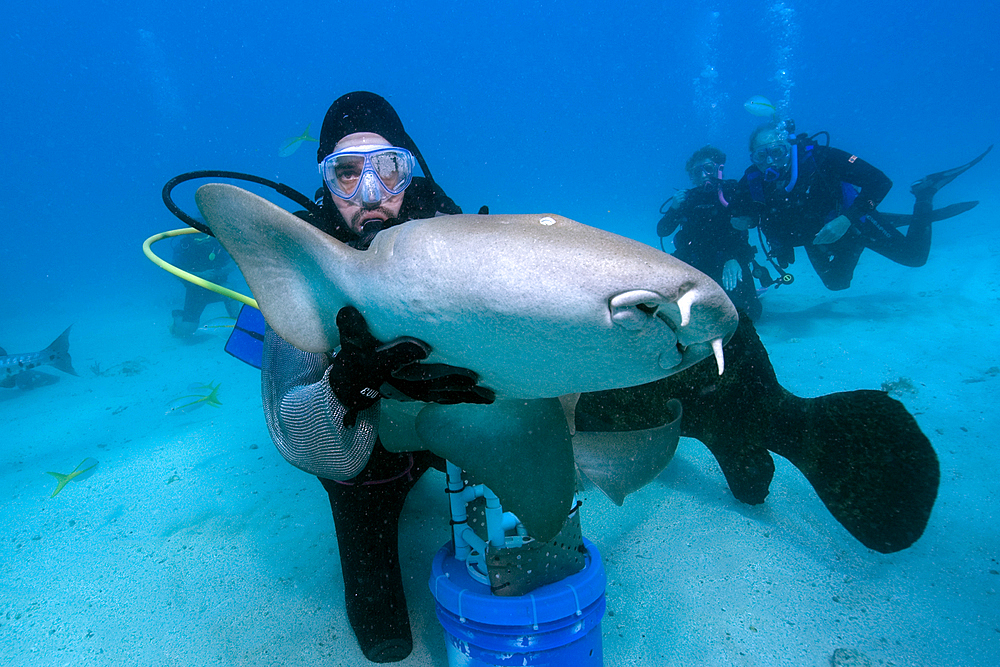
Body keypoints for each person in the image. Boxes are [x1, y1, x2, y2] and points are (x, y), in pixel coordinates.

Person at [260, 91, 493, 663]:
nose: (370, 195)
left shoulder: (449, 232)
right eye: (345, 174)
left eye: (388, 170)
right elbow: (300, 442)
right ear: (326, 184)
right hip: (362, 452)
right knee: (382, 630)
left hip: (452, 416)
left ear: (410, 171)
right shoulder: (298, 262)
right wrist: (346, 386)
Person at [729, 122, 988, 290]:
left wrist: (847, 219)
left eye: (777, 151)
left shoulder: (820, 159)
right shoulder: (752, 180)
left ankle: (925, 193)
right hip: (817, 237)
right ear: (753, 157)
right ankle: (864, 235)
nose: (770, 161)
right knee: (836, 284)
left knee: (915, 258)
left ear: (789, 148)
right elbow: (735, 214)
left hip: (853, 221)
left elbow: (880, 182)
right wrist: (742, 221)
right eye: (761, 155)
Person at [656, 145, 762, 320]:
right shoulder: (686, 199)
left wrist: (734, 258)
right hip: (694, 264)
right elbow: (662, 231)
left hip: (729, 260)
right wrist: (674, 208)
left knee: (750, 313)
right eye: (697, 172)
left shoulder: (733, 192)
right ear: (691, 176)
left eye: (709, 169)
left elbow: (745, 229)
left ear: (719, 169)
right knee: (680, 314)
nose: (704, 175)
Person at [169, 232, 241, 337]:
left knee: (230, 289)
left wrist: (219, 272)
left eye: (203, 235)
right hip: (195, 293)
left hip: (217, 288)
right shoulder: (185, 246)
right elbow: (175, 272)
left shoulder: (217, 243)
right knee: (186, 332)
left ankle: (237, 324)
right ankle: (178, 318)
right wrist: (201, 275)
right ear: (191, 235)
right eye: (197, 236)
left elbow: (233, 262)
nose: (202, 240)